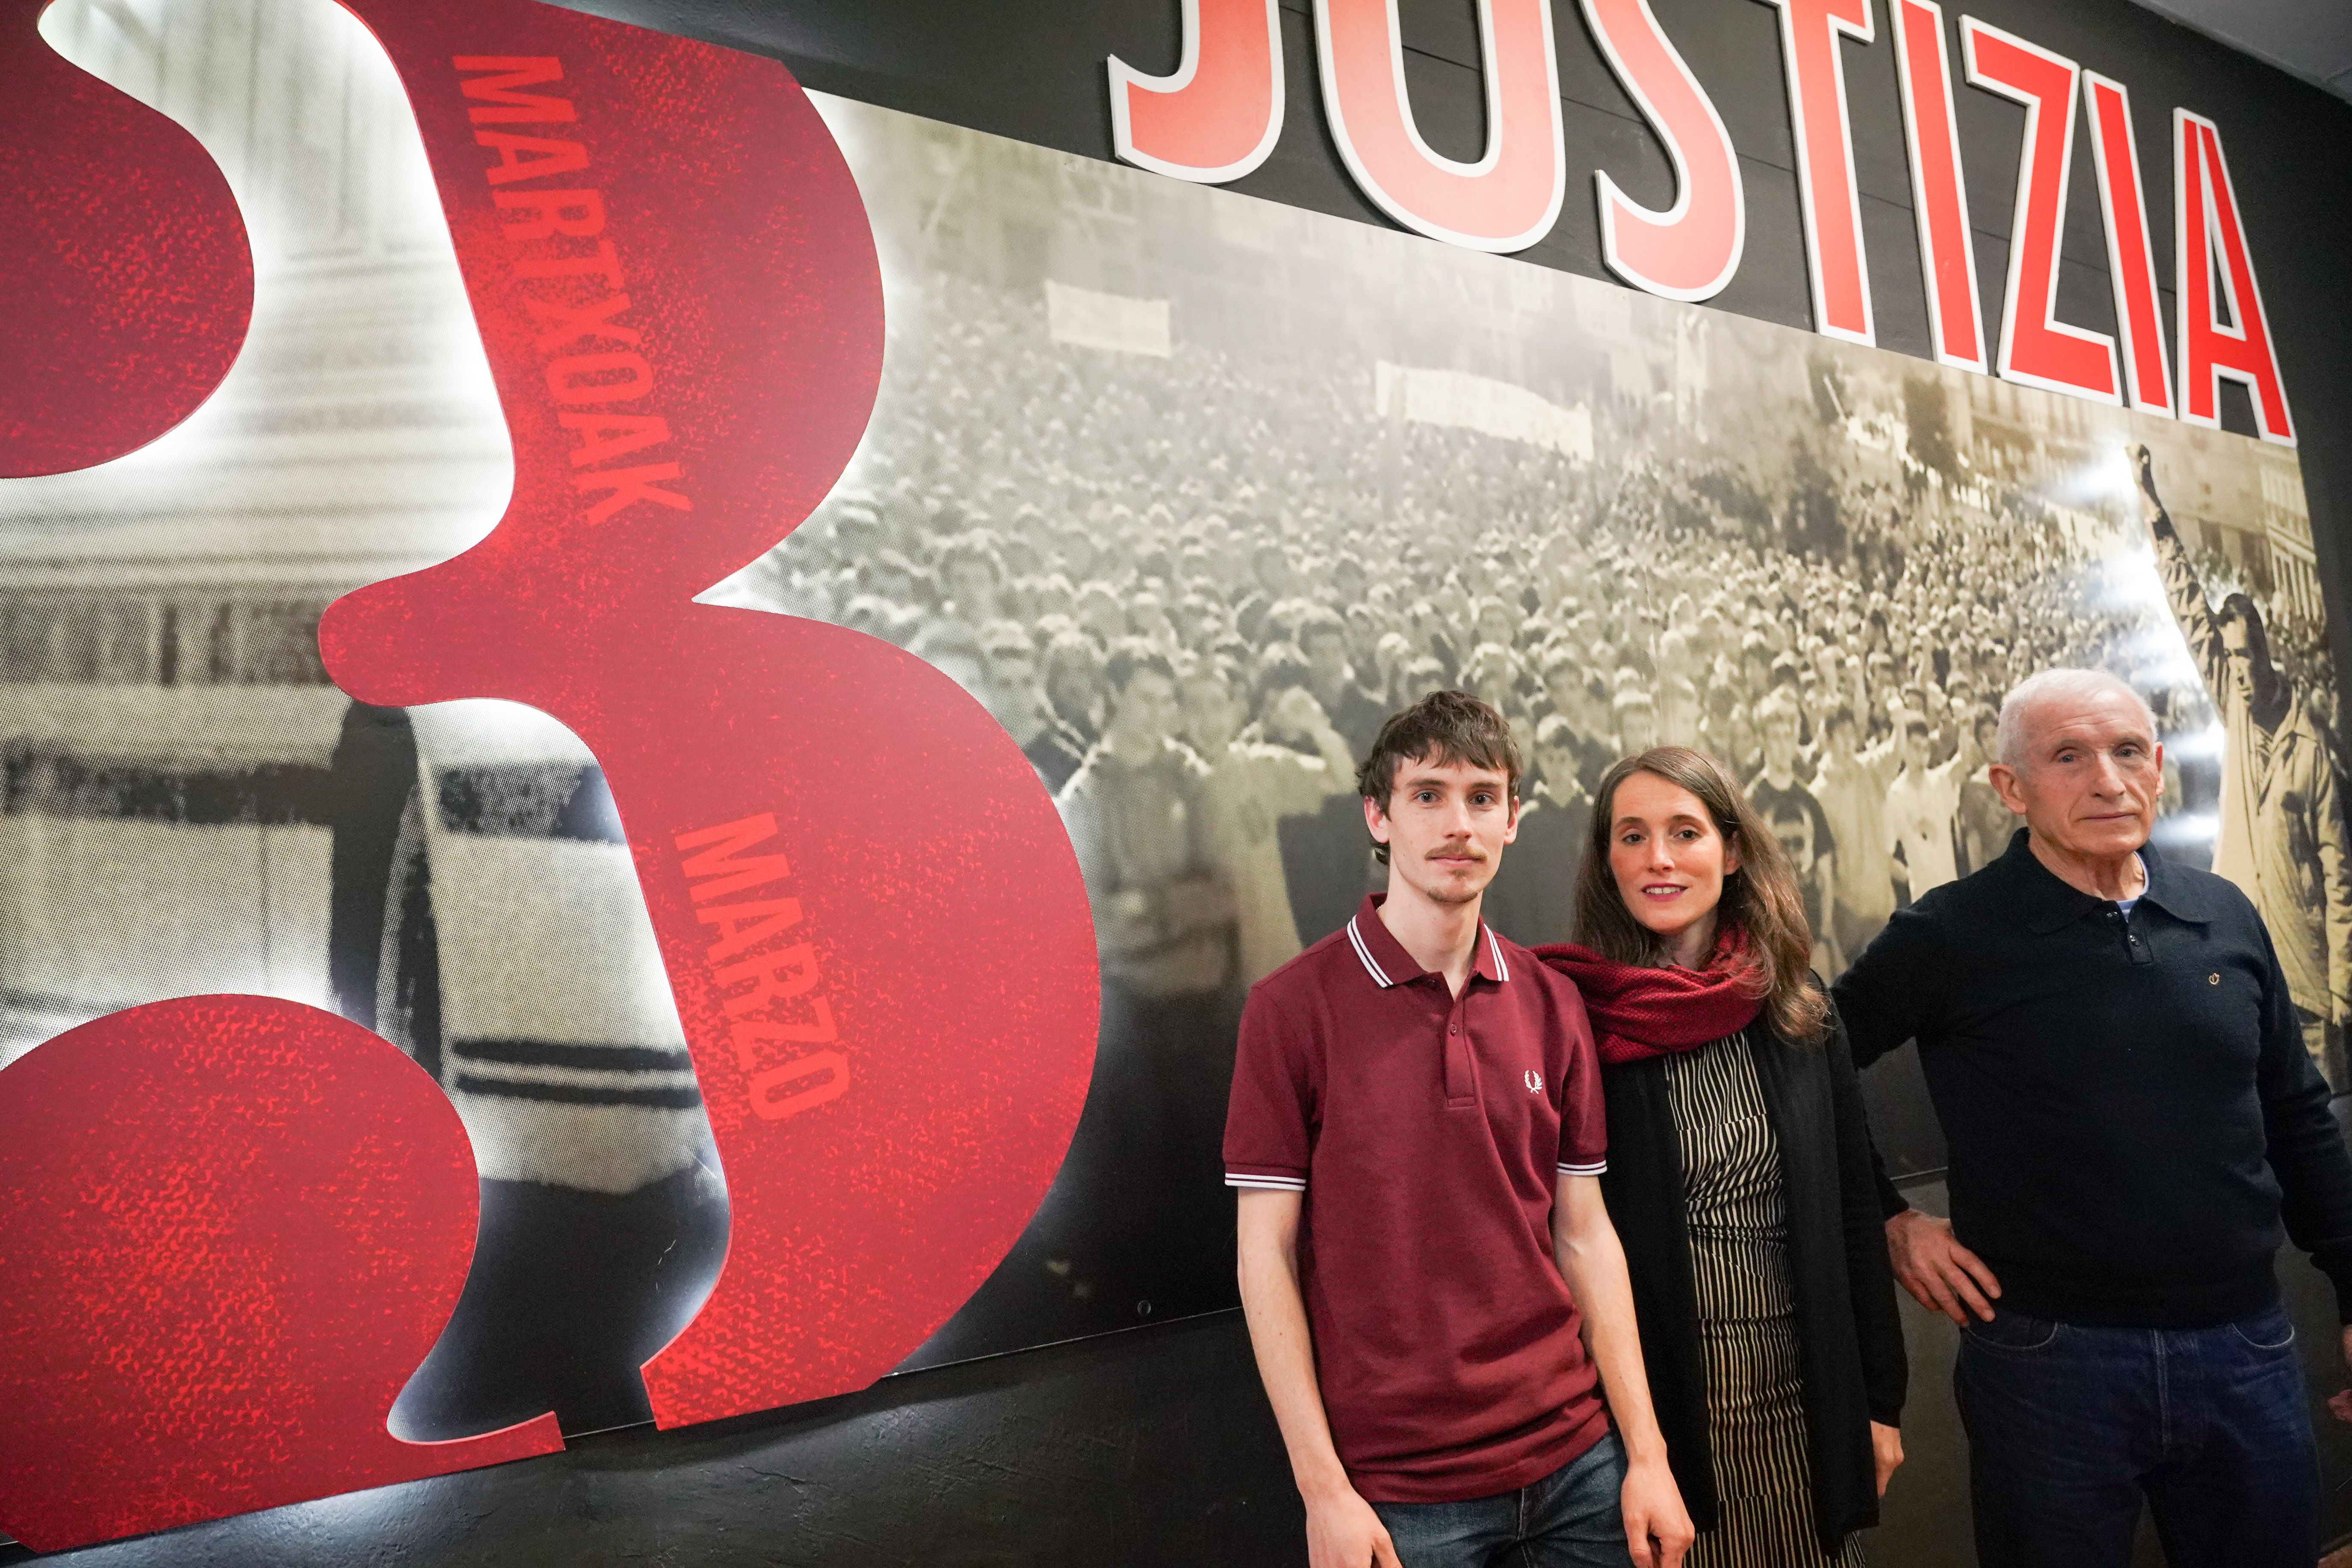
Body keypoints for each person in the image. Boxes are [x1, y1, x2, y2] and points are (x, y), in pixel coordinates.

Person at [1836, 667, 2352, 1568]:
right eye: (2067, 757)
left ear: (2158, 767)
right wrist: (1886, 1219)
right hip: (2046, 1362)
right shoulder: (1947, 935)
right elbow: (1807, 1069)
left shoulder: (2221, 912)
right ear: (2010, 788)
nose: (2106, 781)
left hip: (2245, 1344)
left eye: (2124, 753)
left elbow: (2297, 1115)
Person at [1225, 691, 1694, 1568]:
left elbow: (1583, 1235)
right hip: (1400, 1495)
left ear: (1513, 818)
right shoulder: (1288, 1009)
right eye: (1428, 794)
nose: (1458, 823)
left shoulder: (1552, 1002)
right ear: (1378, 814)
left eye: (1482, 797)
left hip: (1578, 1465)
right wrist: (1322, 1490)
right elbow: (1264, 1259)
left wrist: (1645, 1456)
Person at [1539, 747, 1905, 1567]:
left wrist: (1879, 1403)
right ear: (1607, 860)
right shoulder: (1577, 1024)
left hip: (1806, 1401)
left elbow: (1853, 1213)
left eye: (1684, 832)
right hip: (1661, 1417)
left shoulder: (1800, 1012)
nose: (1658, 858)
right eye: (1631, 836)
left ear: (1732, 851)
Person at [2137, 444, 2352, 1084]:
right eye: (2229, 658)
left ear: (2265, 651)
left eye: (2246, 655)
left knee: (2327, 1125)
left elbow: (2341, 877)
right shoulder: (2231, 699)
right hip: (2242, 961)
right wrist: (2153, 507)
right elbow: (2189, 609)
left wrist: (2344, 986)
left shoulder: (2310, 747)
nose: (2239, 670)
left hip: (2310, 982)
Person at [1747, 690, 1839, 974]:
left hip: (1811, 928)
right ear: (1763, 741)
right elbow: (1746, 877)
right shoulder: (1750, 802)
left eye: (1788, 736)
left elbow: (1825, 872)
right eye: (1775, 736)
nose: (1783, 745)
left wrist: (1824, 934)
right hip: (1770, 935)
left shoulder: (1809, 799)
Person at [1880, 710, 1958, 904]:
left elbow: (1966, 760)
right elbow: (1885, 857)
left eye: (1926, 749)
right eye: (1916, 748)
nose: (1921, 755)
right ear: (1904, 748)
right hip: (1922, 901)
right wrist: (1910, 876)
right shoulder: (1894, 796)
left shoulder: (1941, 782)